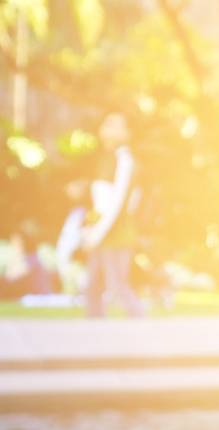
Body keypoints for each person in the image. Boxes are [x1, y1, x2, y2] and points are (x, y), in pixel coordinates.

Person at [82, 112, 146, 318]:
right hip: (101, 232)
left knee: (118, 286)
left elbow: (117, 203)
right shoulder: (106, 158)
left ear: (127, 133)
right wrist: (90, 228)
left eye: (113, 124)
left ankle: (144, 327)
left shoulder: (124, 160)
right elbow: (100, 202)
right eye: (106, 122)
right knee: (92, 286)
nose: (106, 127)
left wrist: (95, 235)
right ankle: (95, 334)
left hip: (116, 234)